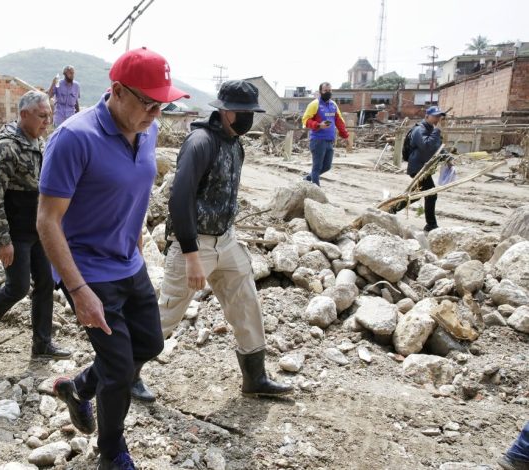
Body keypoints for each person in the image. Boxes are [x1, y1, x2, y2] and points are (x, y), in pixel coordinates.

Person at [37, 47, 188, 470]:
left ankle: (80, 386)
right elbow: (47, 221)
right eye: (149, 102)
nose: (157, 112)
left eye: (163, 104)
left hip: (128, 261)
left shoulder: (147, 130)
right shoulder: (73, 138)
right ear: (118, 92)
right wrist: (78, 289)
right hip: (88, 270)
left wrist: (136, 237)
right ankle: (111, 450)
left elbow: (135, 192)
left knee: (151, 343)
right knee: (120, 369)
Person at [133, 80, 293, 403]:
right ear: (223, 110)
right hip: (194, 243)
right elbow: (179, 200)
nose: (248, 118)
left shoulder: (236, 144)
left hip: (225, 241)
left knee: (245, 299)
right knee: (169, 312)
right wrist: (191, 254)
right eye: (241, 112)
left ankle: (255, 376)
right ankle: (125, 372)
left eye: (251, 112)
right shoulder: (200, 142)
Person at [0, 90, 70, 359]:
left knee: (46, 283)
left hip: (39, 231)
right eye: (42, 115)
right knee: (18, 287)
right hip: (16, 234)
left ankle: (42, 344)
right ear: (24, 115)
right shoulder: (6, 147)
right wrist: (3, 240)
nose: (47, 121)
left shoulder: (38, 142)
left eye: (49, 115)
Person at [401, 106, 445, 232]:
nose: (438, 119)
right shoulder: (419, 130)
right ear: (427, 116)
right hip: (418, 168)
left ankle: (392, 208)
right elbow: (426, 146)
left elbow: (437, 147)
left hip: (424, 168)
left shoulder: (431, 129)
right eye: (435, 116)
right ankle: (431, 225)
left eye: (439, 116)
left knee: (415, 195)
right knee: (431, 194)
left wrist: (447, 157)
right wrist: (437, 131)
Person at [301, 82, 349, 186]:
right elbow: (305, 120)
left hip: (330, 141)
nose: (328, 92)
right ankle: (316, 192)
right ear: (320, 92)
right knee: (317, 167)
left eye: (330, 90)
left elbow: (339, 120)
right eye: (325, 91)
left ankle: (308, 178)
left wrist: (345, 135)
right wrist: (318, 125)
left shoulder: (333, 105)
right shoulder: (314, 104)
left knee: (327, 166)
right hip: (318, 140)